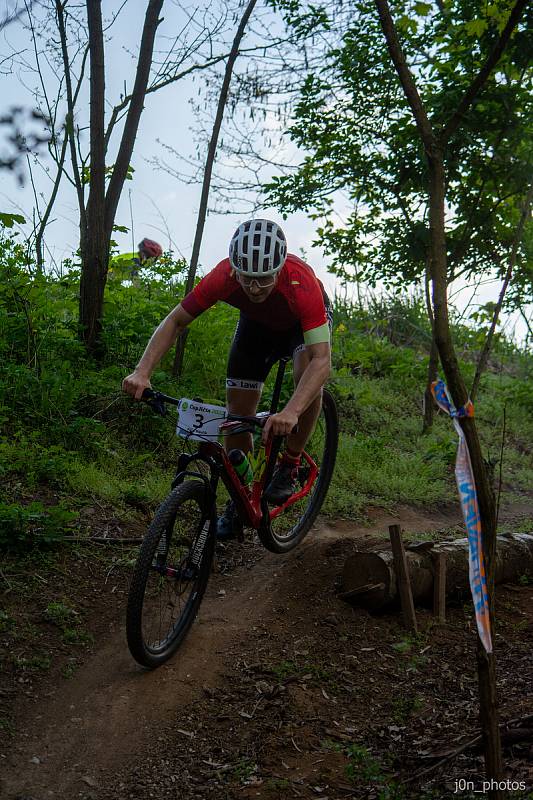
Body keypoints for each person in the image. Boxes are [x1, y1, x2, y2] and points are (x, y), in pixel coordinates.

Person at [122, 219, 332, 538]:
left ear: (280, 268)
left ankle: (289, 463)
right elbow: (176, 321)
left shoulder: (300, 283)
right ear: (235, 268)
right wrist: (142, 372)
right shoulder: (223, 277)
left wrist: (291, 412)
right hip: (257, 328)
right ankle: (240, 499)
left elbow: (322, 360)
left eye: (264, 278)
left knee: (308, 378)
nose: (255, 286)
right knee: (237, 416)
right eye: (247, 277)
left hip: (299, 330)